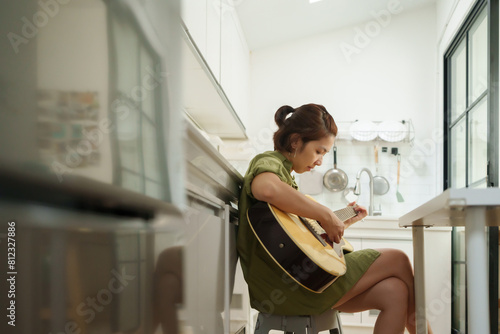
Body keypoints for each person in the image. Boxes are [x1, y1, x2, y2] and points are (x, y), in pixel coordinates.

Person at [237, 104, 432, 334]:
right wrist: (326, 214)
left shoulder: (287, 178)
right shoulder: (269, 162)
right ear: (296, 141)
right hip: (290, 286)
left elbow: (295, 239)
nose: (320, 161)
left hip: (296, 282)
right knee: (398, 259)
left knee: (395, 291)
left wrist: (341, 221)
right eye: (319, 151)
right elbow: (265, 188)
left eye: (324, 154)